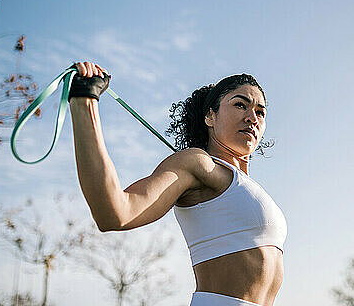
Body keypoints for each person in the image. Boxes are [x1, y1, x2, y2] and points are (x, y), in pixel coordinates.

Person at [68, 61, 287, 306]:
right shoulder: (197, 163)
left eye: (261, 111)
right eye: (240, 104)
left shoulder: (245, 185)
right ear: (210, 117)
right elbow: (115, 213)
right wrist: (85, 100)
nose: (252, 118)